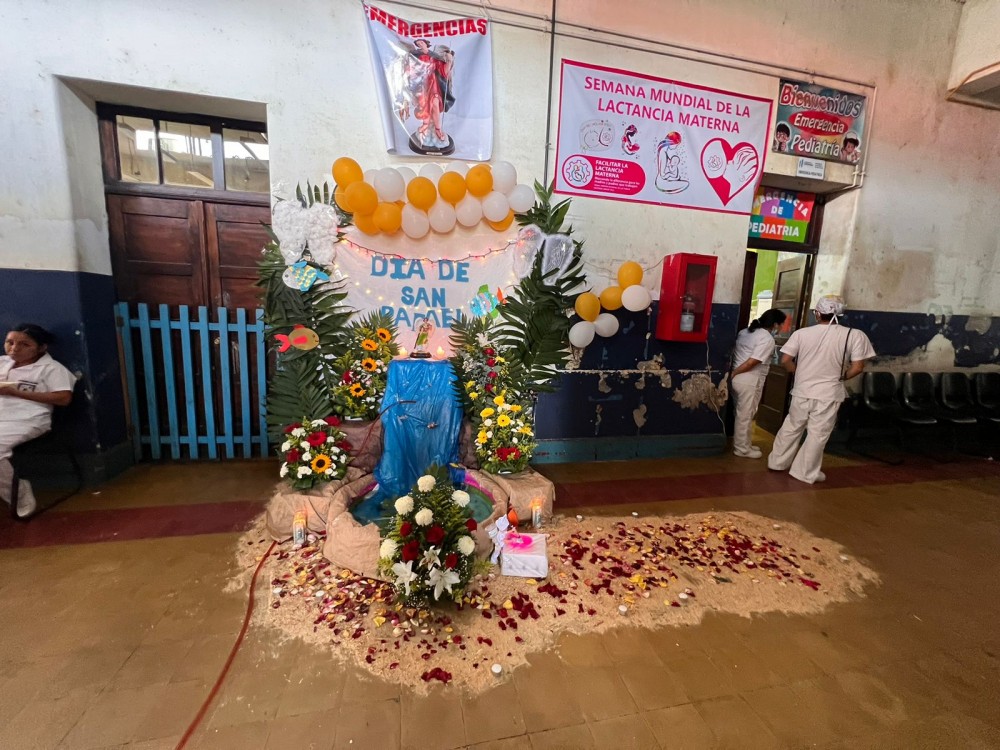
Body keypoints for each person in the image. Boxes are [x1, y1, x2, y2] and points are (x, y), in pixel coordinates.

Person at [767, 296, 875, 484]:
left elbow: (785, 360)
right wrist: (841, 377)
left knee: (791, 427)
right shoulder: (854, 335)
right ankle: (805, 472)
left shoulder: (801, 334)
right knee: (818, 434)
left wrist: (799, 374)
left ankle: (777, 462)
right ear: (840, 314)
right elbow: (858, 367)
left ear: (817, 313)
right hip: (828, 394)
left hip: (801, 391)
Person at [0, 324, 76, 517]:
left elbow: (63, 398)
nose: (14, 349)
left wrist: (15, 392)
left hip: (27, 419)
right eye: (10, 342)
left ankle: (19, 494)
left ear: (41, 348)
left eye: (24, 344)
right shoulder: (2, 363)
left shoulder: (51, 369)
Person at [729, 309, 788, 458]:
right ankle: (741, 448)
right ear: (775, 324)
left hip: (739, 380)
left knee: (743, 414)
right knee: (745, 415)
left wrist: (734, 374)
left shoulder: (745, 332)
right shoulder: (766, 339)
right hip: (748, 379)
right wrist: (736, 372)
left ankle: (745, 444)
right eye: (781, 325)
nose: (781, 328)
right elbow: (752, 362)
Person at [410, 39, 455, 149]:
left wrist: (449, 62)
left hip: (434, 83)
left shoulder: (434, 57)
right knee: (424, 105)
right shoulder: (416, 56)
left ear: (426, 43)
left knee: (435, 104)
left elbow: (443, 71)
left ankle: (438, 129)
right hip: (422, 85)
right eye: (418, 43)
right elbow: (413, 70)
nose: (420, 44)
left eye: (422, 42)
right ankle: (425, 125)